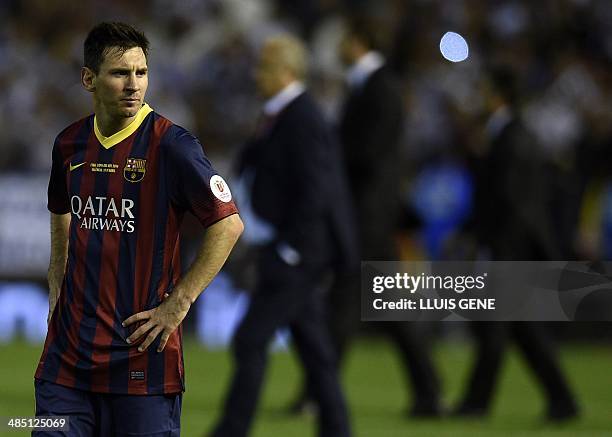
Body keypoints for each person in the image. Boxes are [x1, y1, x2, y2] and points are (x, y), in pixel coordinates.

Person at [34, 22, 243, 436]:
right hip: (68, 360)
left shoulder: (172, 146)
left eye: (141, 73)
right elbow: (59, 205)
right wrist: (58, 267)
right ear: (88, 79)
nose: (134, 85)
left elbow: (228, 223)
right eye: (120, 73)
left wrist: (179, 302)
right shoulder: (69, 144)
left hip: (141, 361)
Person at [289, 17, 442, 417]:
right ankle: (426, 389)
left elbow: (372, 155)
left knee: (350, 305)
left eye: (343, 40)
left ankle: (317, 393)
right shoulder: (369, 86)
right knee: (375, 307)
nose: (338, 48)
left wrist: (327, 158)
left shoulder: (381, 87)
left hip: (367, 215)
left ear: (357, 42)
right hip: (363, 213)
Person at [209, 35, 354, 437]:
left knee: (250, 339)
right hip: (293, 249)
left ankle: (231, 430)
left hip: (296, 253)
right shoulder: (280, 114)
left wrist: (289, 247)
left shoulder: (302, 117)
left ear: (287, 72)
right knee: (314, 349)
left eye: (265, 68)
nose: (257, 75)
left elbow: (316, 190)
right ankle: (338, 429)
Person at [454, 67, 579, 421]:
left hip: (510, 249)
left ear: (498, 96)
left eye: (484, 88)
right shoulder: (510, 135)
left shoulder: (511, 137)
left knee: (495, 331)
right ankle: (561, 400)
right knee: (522, 331)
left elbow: (509, 201)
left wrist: (489, 245)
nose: (479, 96)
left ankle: (476, 403)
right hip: (511, 247)